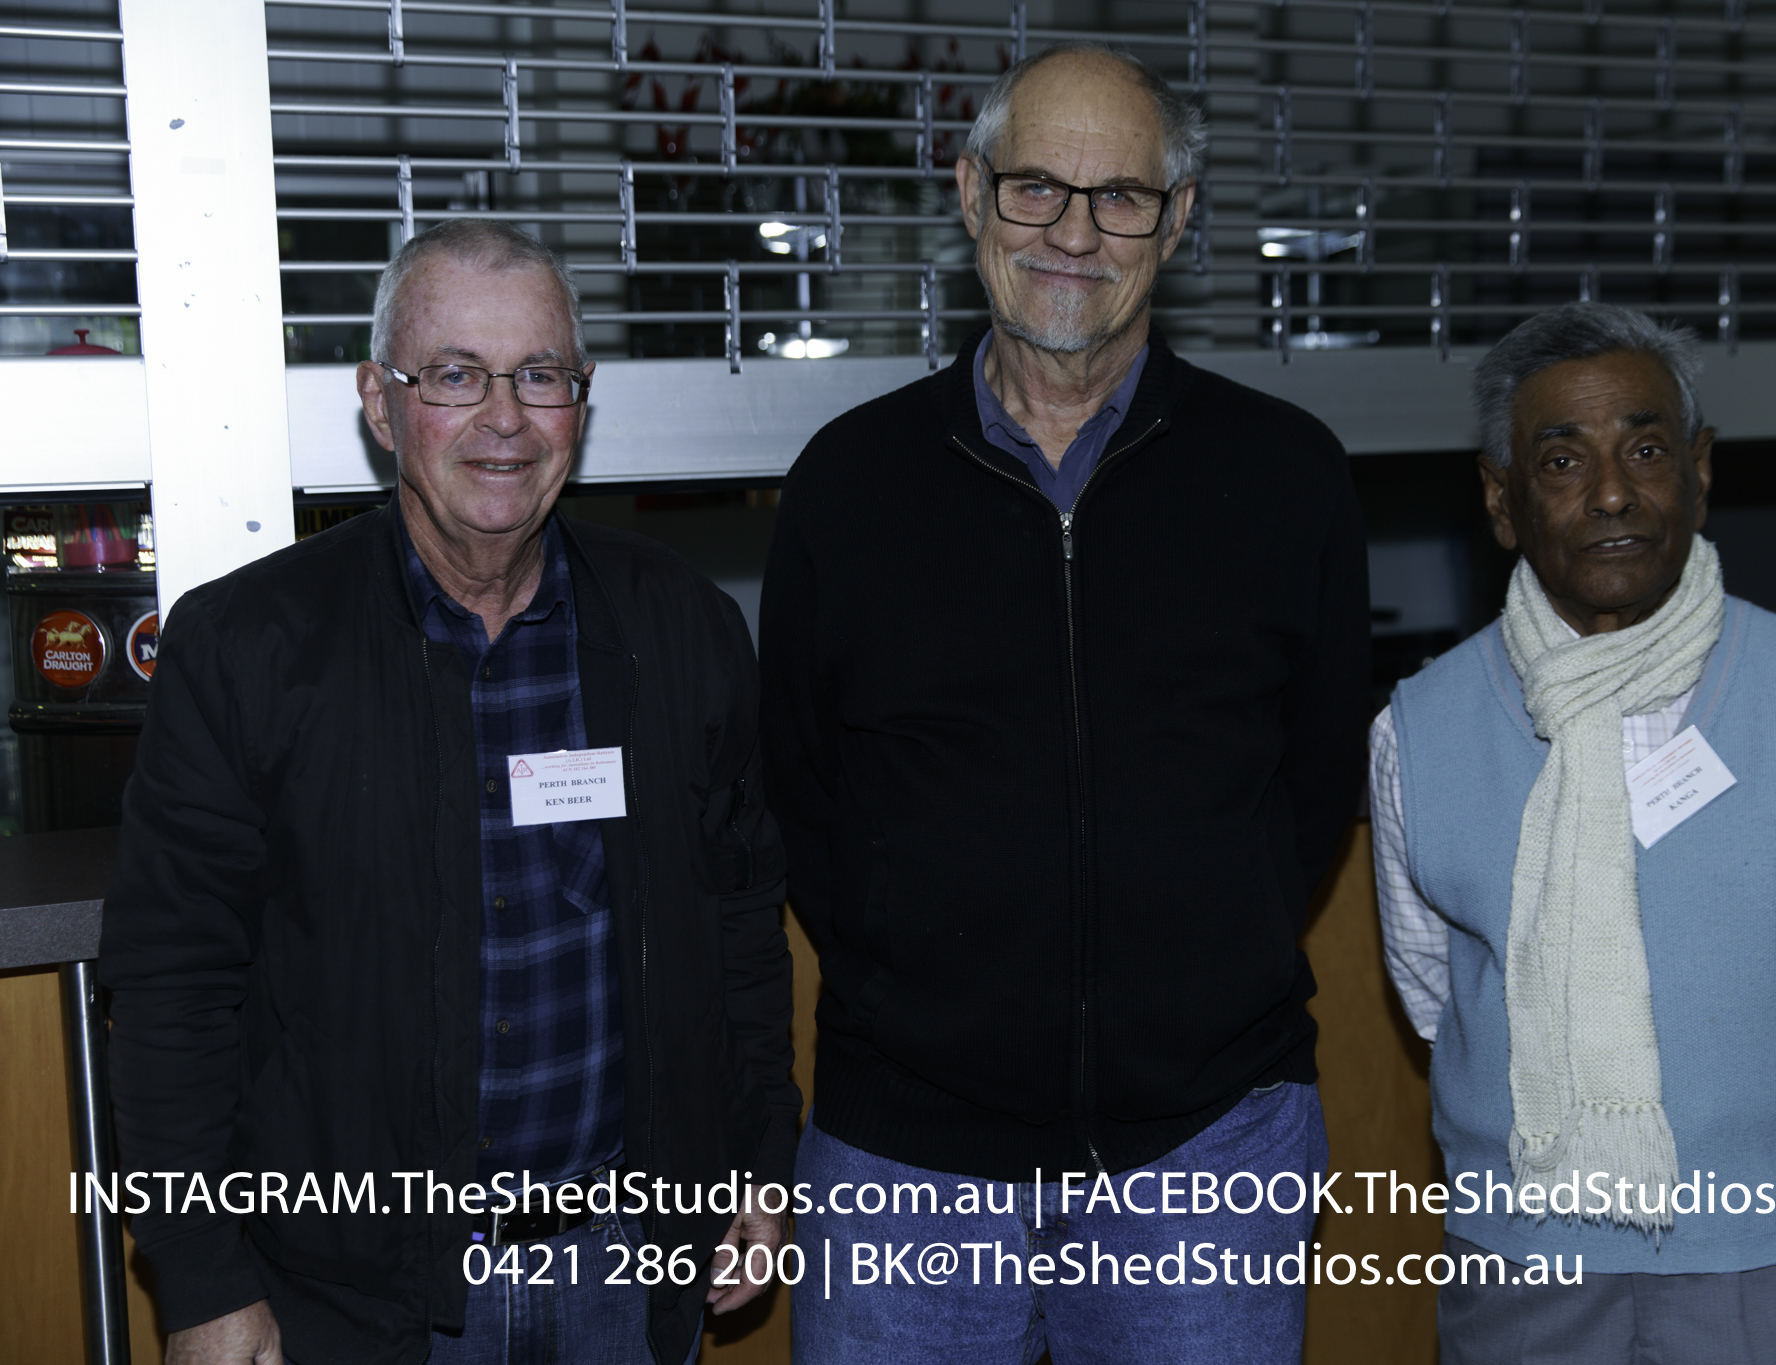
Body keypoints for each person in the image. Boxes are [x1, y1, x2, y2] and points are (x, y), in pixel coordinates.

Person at [759, 41, 1373, 1365]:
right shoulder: (847, 485)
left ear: (1179, 216)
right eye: (1036, 186)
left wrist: (1192, 969)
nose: (1075, 234)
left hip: (1204, 1151)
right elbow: (802, 790)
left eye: (1122, 196)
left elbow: (1313, 782)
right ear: (970, 192)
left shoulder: (1288, 479)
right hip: (905, 1162)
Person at [99, 219, 796, 1365]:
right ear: (380, 404)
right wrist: (203, 1280)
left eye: (540, 375)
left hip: (624, 1270)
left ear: (581, 401)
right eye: (456, 376)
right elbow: (173, 989)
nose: (505, 418)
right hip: (358, 1303)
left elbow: (739, 930)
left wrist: (759, 1164)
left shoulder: (680, 629)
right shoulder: (248, 648)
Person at [1371, 302, 1776, 1362]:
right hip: (1526, 1264)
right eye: (1561, 460)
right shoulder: (1417, 733)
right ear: (1501, 499)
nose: (1613, 492)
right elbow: (1437, 996)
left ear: (1700, 470)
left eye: (1647, 449)